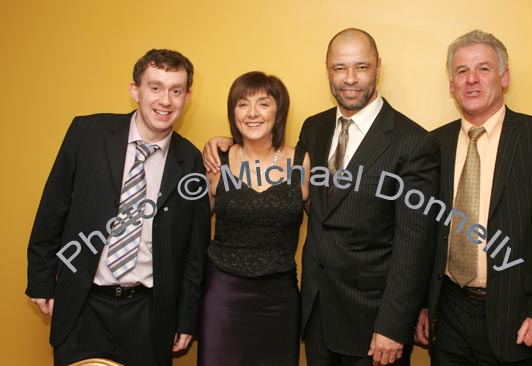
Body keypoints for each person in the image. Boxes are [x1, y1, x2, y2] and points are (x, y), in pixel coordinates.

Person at [203, 28, 439, 366]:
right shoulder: (315, 129)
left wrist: (393, 325)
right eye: (340, 68)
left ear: (378, 67)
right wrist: (224, 142)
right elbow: (273, 168)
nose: (350, 79)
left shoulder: (413, 142)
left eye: (361, 67)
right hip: (314, 315)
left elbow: (414, 246)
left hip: (372, 325)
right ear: (327, 69)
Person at [25, 49, 211, 366]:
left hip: (148, 313)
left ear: (186, 97)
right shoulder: (87, 134)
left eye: (175, 90)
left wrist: (186, 317)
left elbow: (194, 251)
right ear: (135, 90)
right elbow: (52, 209)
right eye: (155, 87)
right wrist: (41, 279)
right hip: (83, 305)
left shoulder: (190, 160)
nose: (165, 100)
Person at [414, 30, 532, 366]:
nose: (472, 80)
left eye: (484, 69)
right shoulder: (434, 144)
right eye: (461, 71)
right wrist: (423, 303)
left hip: (516, 319)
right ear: (451, 84)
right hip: (447, 316)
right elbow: (425, 234)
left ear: (504, 78)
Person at [198, 71, 310, 366]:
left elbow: (330, 225)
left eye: (263, 103)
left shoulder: (303, 162)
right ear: (232, 113)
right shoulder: (215, 162)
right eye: (242, 104)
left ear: (279, 110)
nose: (252, 113)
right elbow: (190, 228)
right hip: (222, 296)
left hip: (279, 299)